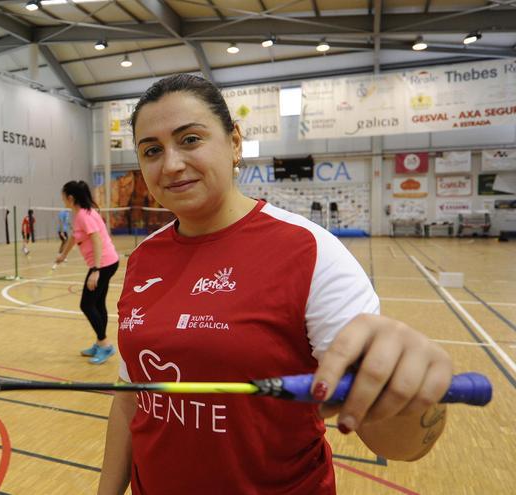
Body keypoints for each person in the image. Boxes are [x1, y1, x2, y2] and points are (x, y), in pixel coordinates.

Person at [98, 74, 453, 494]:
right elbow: (132, 397)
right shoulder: (142, 259)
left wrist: (410, 392)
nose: (171, 164)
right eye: (152, 150)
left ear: (234, 143)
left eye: (190, 140)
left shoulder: (309, 251)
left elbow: (398, 444)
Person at [55, 181, 120, 364]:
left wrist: (96, 270)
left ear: (70, 198)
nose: (62, 200)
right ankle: (100, 343)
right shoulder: (81, 214)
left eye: (63, 196)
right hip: (107, 262)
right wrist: (63, 255)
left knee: (87, 304)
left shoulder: (84, 215)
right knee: (98, 304)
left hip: (104, 264)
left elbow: (97, 240)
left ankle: (105, 346)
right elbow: (75, 237)